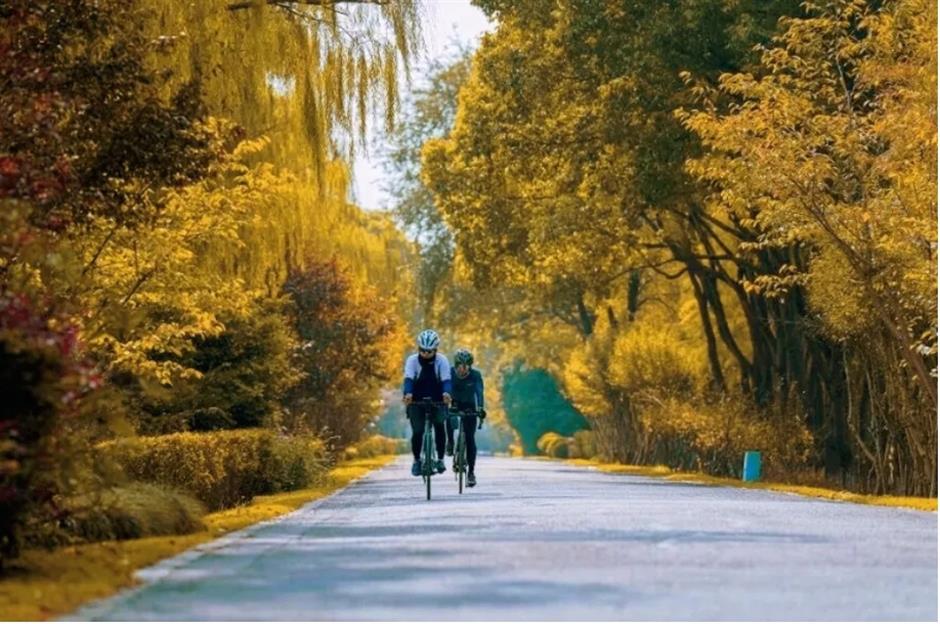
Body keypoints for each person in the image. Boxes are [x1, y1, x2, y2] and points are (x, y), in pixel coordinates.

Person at [402, 329, 452, 477]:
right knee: (417, 431)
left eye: (429, 351)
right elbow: (409, 379)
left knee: (439, 425)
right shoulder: (412, 360)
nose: (426, 354)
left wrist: (447, 393)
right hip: (416, 400)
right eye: (423, 350)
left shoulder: (442, 360)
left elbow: (446, 380)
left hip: (438, 399)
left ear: (435, 349)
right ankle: (417, 461)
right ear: (419, 348)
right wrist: (408, 394)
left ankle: (440, 459)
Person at [446, 347, 486, 487]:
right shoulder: (449, 373)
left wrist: (480, 409)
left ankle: (471, 473)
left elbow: (479, 392)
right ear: (456, 366)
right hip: (455, 403)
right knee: (449, 416)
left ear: (470, 366)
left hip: (470, 406)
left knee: (470, 438)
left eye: (466, 366)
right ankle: (450, 442)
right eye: (460, 366)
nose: (463, 369)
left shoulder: (475, 375)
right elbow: (443, 389)